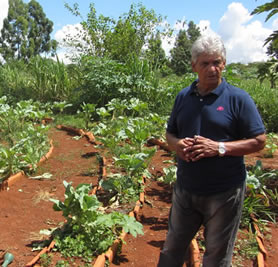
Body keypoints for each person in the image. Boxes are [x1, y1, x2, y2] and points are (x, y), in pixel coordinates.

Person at [157, 34, 266, 267]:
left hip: (224, 193)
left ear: (224, 64)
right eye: (205, 63)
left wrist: (219, 147)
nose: (212, 69)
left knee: (216, 256)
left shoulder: (238, 99)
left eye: (217, 62)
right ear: (194, 66)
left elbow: (259, 140)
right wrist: (176, 145)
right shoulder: (183, 97)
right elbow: (170, 133)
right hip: (186, 189)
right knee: (171, 250)